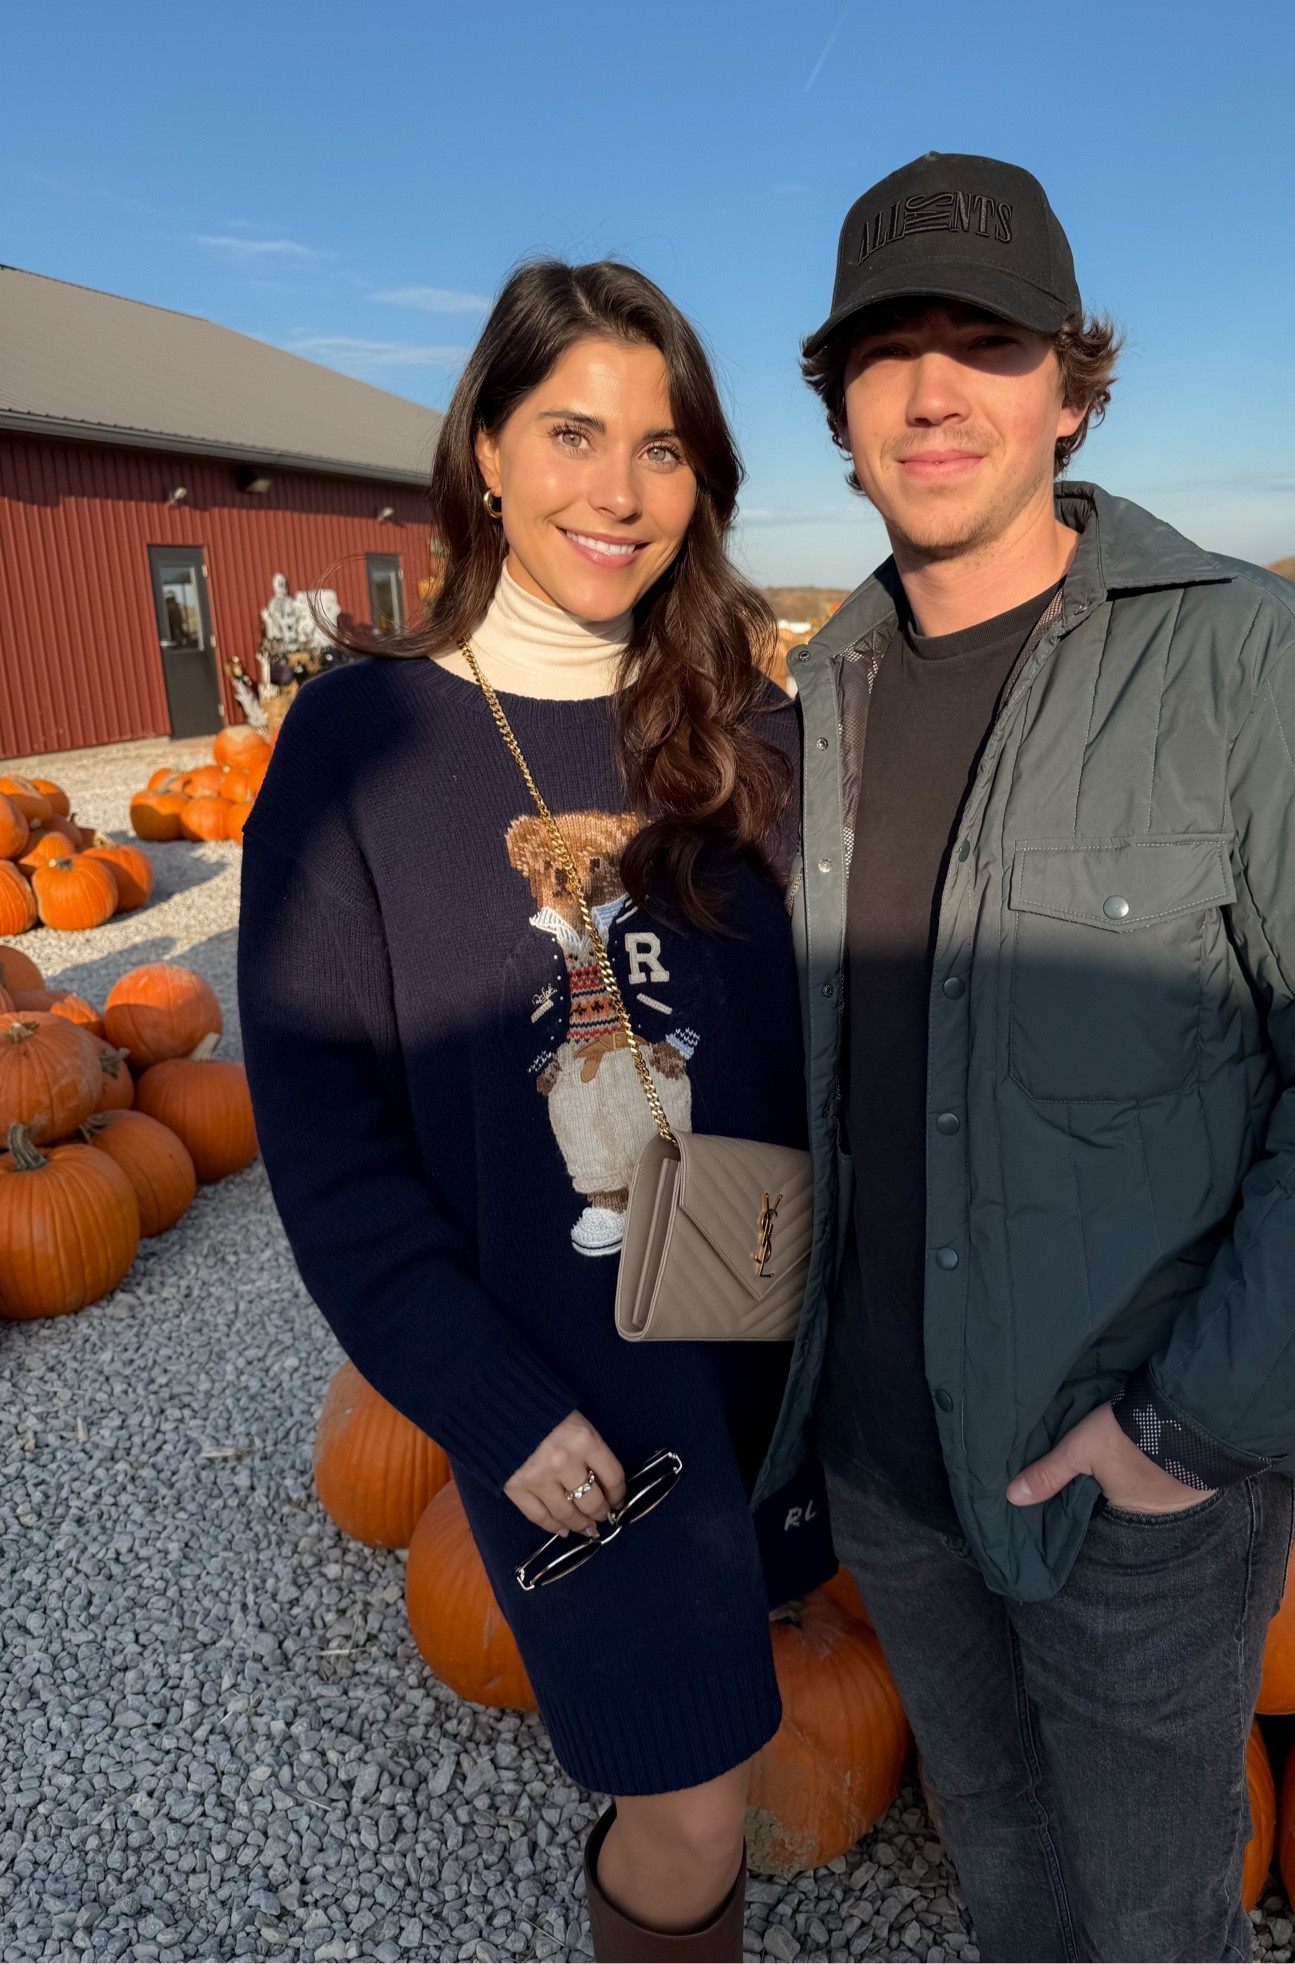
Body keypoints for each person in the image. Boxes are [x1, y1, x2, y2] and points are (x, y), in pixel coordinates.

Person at [749, 153, 1295, 1961]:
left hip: (1129, 1482)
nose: (933, 391)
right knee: (993, 1835)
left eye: (984, 344)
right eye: (885, 350)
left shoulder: (1259, 666)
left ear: (1072, 385)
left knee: (1153, 1908)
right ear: (836, 407)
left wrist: (1190, 1428)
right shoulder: (819, 700)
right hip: (884, 1455)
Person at [238, 259, 814, 1964]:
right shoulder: (359, 747)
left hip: (775, 1343)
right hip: (576, 1398)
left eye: (662, 445)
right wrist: (487, 1405)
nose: (617, 491)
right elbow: (329, 1150)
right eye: (572, 432)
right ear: (485, 449)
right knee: (694, 1793)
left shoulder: (750, 729)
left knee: (747, 1725)